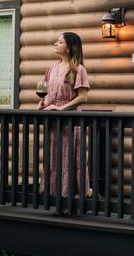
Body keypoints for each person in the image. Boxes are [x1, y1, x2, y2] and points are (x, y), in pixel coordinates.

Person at [38, 32, 91, 215]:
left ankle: (73, 202)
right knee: (55, 159)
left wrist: (63, 109)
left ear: (68, 47)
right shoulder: (51, 68)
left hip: (70, 121)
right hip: (54, 121)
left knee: (71, 160)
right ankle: (57, 201)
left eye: (59, 42)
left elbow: (83, 97)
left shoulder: (78, 69)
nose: (55, 44)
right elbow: (46, 92)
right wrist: (43, 103)